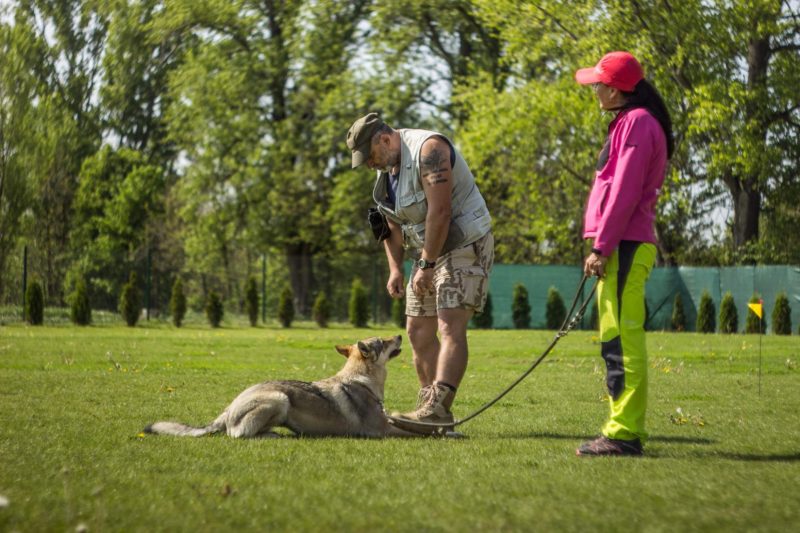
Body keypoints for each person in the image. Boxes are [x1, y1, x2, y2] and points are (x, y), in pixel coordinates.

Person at [346, 113, 494, 433]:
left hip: (462, 243)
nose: (370, 165)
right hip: (425, 253)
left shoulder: (430, 150)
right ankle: (429, 411)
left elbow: (440, 212)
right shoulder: (387, 174)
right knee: (416, 332)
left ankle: (438, 410)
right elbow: (389, 224)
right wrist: (396, 268)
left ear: (384, 140)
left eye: (370, 157)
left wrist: (425, 265)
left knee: (449, 323)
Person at [574, 51, 674, 456]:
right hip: (622, 244)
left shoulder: (635, 123)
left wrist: (602, 246)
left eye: (598, 84)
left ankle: (624, 434)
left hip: (624, 246)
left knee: (622, 341)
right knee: (615, 339)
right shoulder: (631, 122)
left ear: (614, 90)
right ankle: (620, 429)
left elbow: (624, 192)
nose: (594, 89)